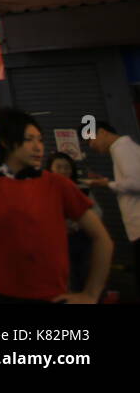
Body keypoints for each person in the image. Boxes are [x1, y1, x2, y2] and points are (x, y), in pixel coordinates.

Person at [0, 109, 111, 303]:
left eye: (40, 140)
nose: (38, 147)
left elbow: (102, 239)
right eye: (29, 140)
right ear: (5, 142)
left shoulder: (58, 184)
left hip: (53, 295)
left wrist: (91, 294)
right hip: (1, 293)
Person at [82, 120, 140, 296]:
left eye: (90, 140)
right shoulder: (123, 148)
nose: (92, 146)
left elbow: (137, 183)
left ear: (101, 132)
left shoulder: (122, 148)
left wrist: (108, 184)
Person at [48, 152, 100, 294]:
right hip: (56, 241)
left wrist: (78, 224)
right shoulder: (44, 190)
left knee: (85, 275)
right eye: (59, 167)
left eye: (67, 167)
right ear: (50, 169)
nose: (63, 171)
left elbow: (97, 212)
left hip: (82, 239)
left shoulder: (81, 188)